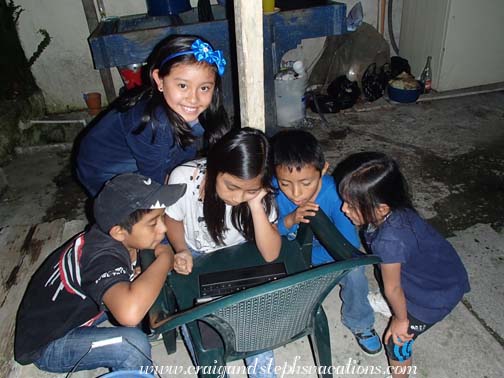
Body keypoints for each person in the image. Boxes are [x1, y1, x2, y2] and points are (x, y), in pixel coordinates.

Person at [14, 173, 186, 374]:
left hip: (73, 315)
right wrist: (165, 258)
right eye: (153, 222)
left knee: (145, 285)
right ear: (119, 232)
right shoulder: (100, 256)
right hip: (50, 345)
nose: (163, 228)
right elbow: (129, 314)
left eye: (162, 217)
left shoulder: (112, 236)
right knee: (131, 345)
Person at [338, 152, 470, 378]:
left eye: (350, 205)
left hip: (434, 295)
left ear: (381, 208)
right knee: (387, 274)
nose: (343, 209)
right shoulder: (394, 212)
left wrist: (400, 320)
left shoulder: (390, 240)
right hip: (435, 272)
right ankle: (394, 305)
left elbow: (394, 288)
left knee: (396, 341)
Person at [165, 127, 281, 377]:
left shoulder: (257, 194)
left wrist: (256, 204)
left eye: (248, 190)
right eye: (231, 186)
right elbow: (172, 219)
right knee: (198, 323)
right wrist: (181, 249)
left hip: (237, 258)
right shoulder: (184, 178)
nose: (238, 197)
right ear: (216, 168)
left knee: (254, 327)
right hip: (196, 255)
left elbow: (271, 254)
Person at [75, 34, 231, 197]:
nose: (193, 98)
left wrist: (198, 174)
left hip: (146, 156)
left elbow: (185, 150)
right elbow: (154, 183)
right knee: (146, 215)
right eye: (183, 85)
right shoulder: (153, 123)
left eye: (204, 88)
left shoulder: (188, 110)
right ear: (160, 80)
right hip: (104, 173)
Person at [270, 129, 382, 355]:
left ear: (323, 170)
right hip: (288, 250)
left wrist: (309, 261)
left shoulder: (335, 194)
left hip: (327, 255)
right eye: (285, 183)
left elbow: (348, 247)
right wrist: (289, 220)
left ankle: (360, 321)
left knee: (355, 270)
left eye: (306, 182)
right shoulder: (272, 189)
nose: (296, 193)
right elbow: (268, 233)